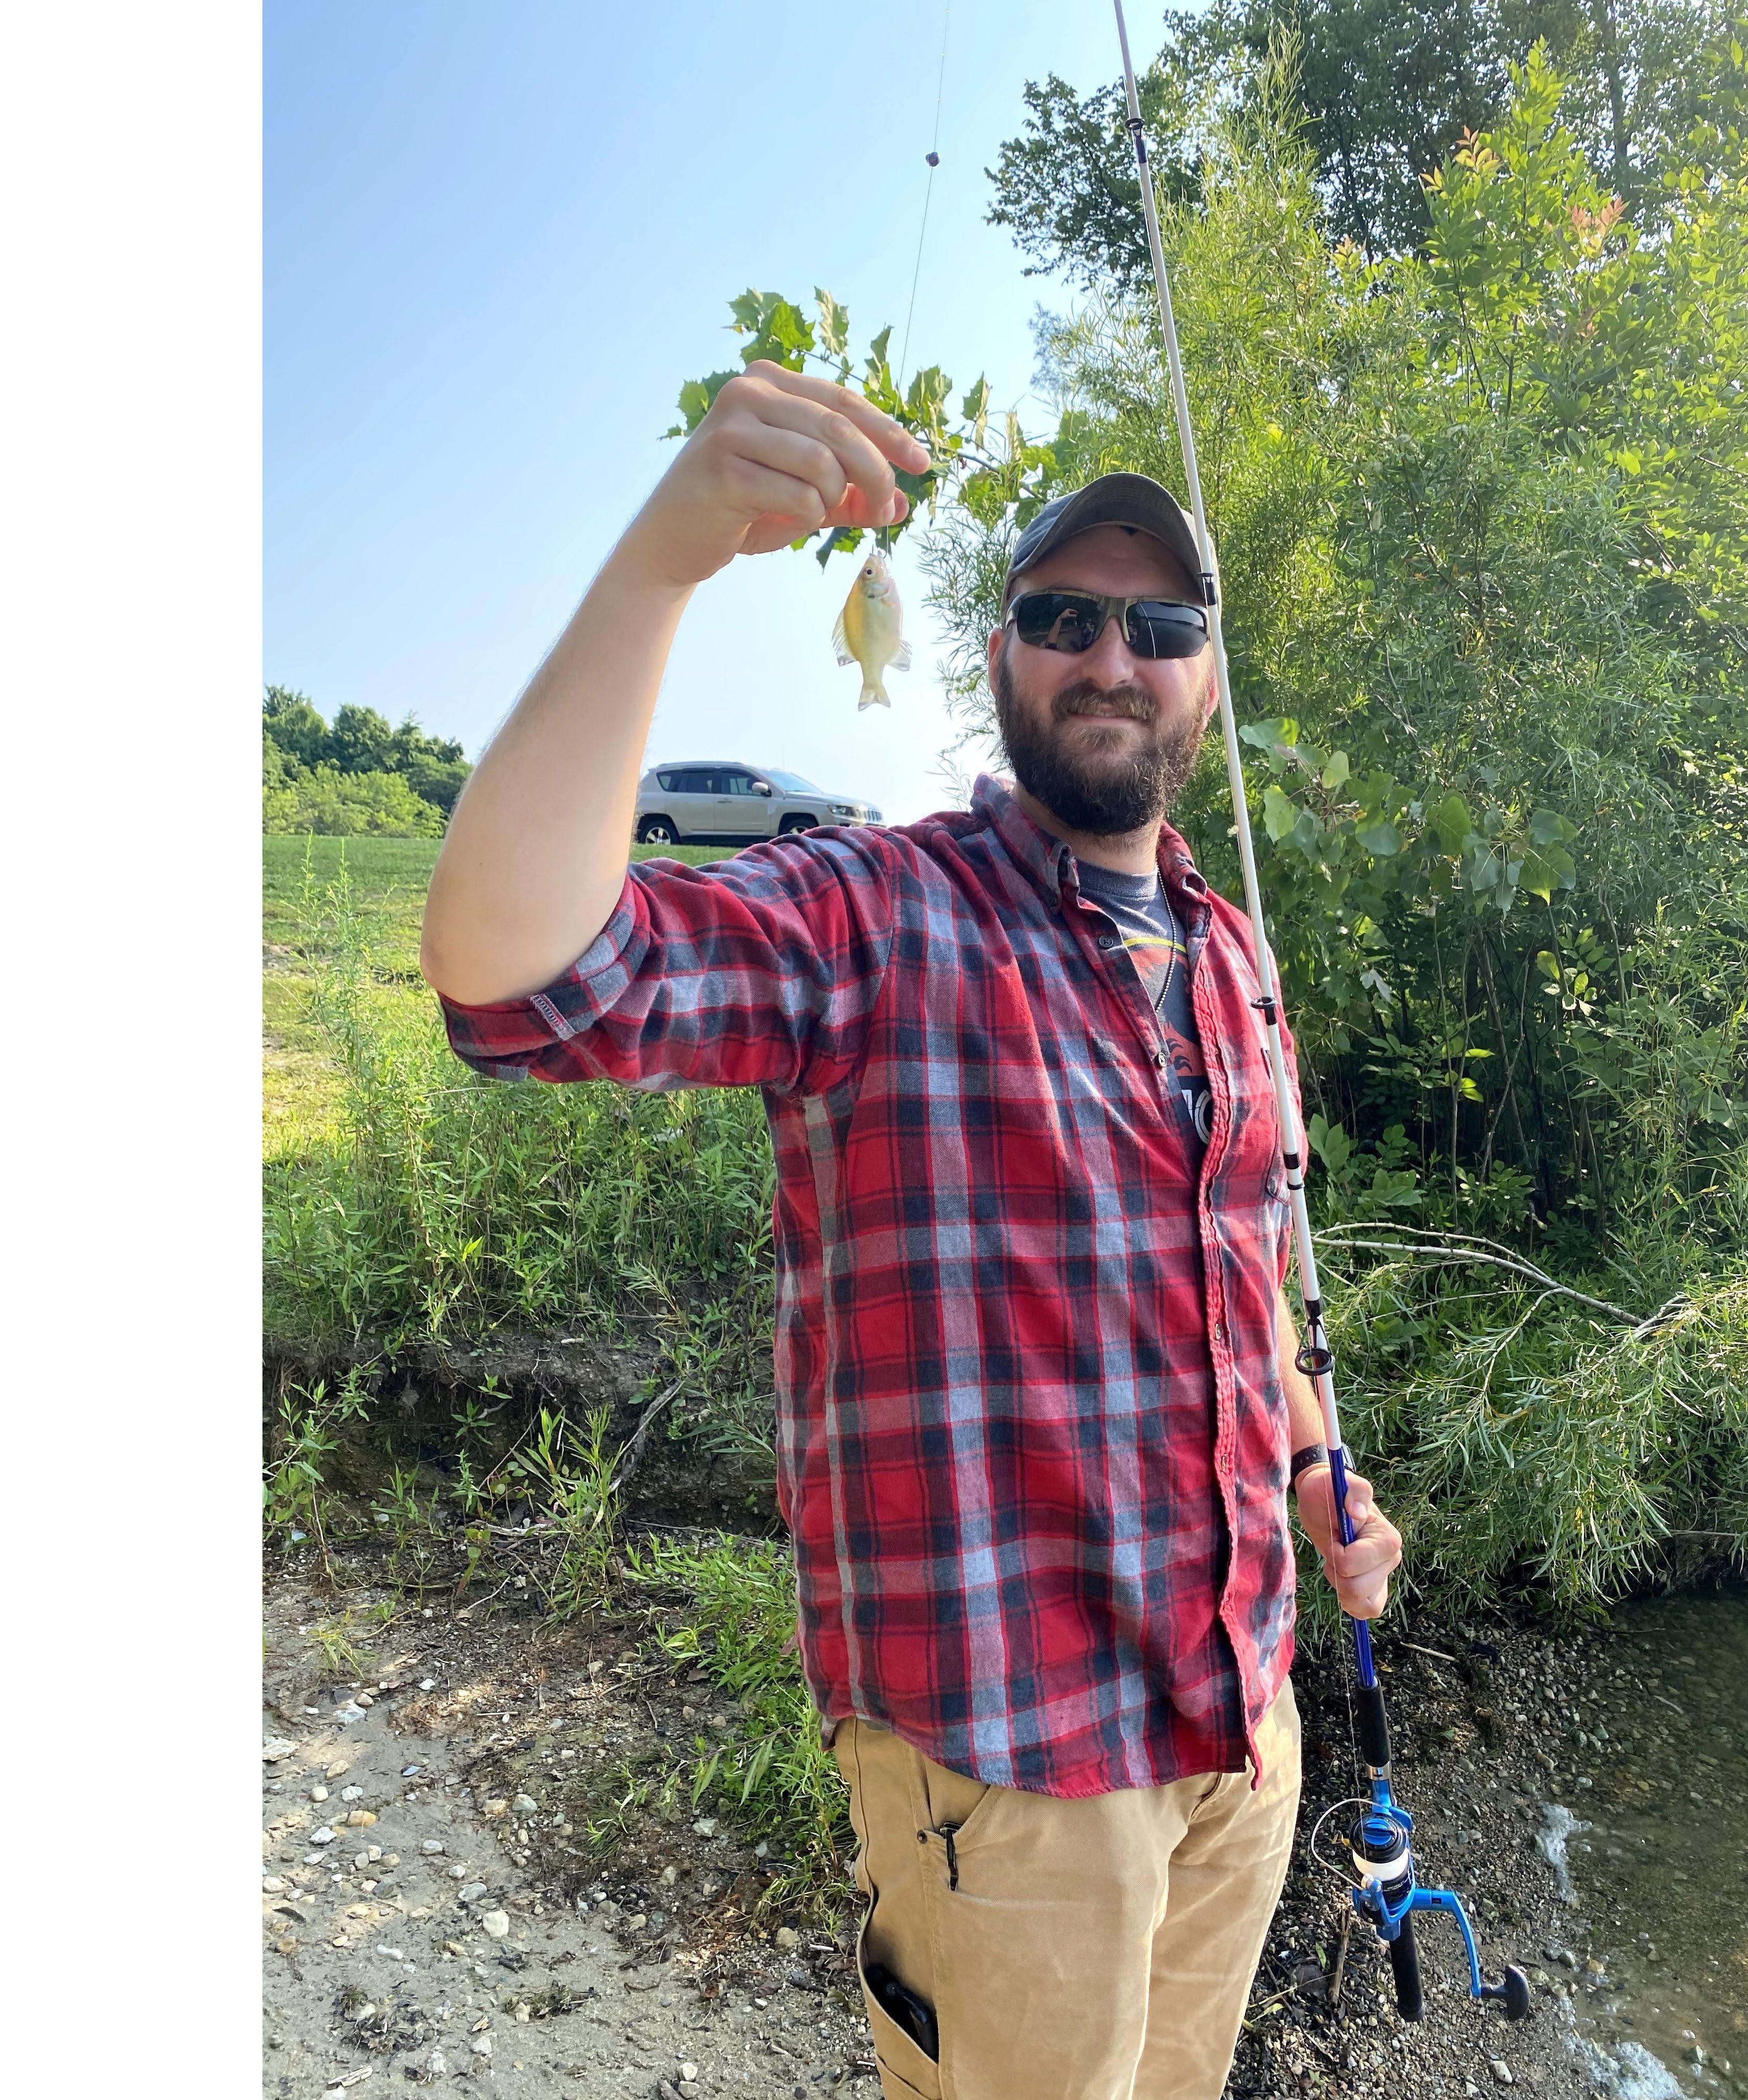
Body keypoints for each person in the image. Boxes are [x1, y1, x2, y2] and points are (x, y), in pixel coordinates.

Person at [421, 359, 1405, 2100]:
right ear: (1005, 649)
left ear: (1207, 676)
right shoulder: (880, 916)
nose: (1116, 653)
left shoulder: (1236, 959)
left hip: (1243, 1720)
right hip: (1007, 1768)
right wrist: (667, 558)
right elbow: (524, 982)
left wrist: (1321, 1474)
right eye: (1065, 612)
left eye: (1161, 620)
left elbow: (1247, 1279)